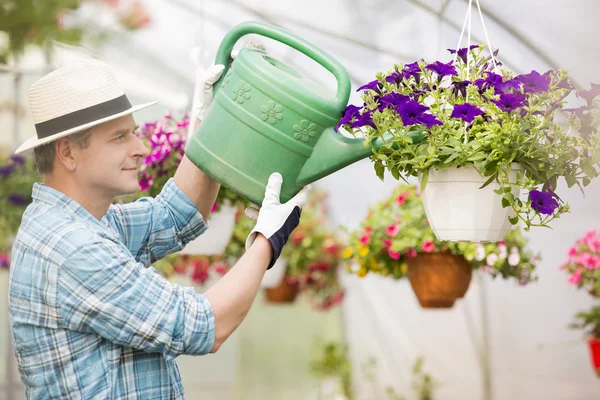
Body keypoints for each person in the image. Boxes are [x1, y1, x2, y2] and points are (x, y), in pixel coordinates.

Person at [8, 52, 307, 399]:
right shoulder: (74, 248)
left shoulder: (79, 220)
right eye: (120, 137)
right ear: (68, 153)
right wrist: (268, 238)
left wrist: (214, 124)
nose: (140, 147)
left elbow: (175, 215)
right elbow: (205, 326)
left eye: (134, 133)